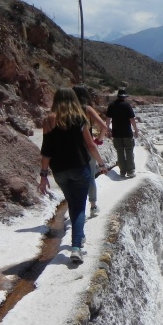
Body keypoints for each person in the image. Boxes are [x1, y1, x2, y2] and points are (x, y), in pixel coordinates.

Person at [39, 88, 108, 264]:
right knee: (79, 207)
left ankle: (80, 234)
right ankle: (76, 247)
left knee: (72, 203)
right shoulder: (79, 119)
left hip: (60, 171)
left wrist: (43, 175)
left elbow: (46, 150)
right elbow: (91, 146)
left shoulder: (48, 121)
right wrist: (101, 164)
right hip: (80, 168)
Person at [72, 85, 108, 217]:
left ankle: (75, 206)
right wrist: (99, 139)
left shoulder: (68, 109)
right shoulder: (87, 109)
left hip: (71, 147)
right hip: (87, 145)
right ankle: (93, 206)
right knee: (91, 176)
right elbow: (104, 126)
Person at [106, 88, 139, 177]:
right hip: (127, 132)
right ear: (124, 97)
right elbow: (132, 119)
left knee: (119, 152)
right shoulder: (127, 106)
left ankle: (122, 171)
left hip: (116, 133)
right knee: (129, 151)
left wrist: (108, 130)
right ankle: (130, 171)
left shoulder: (111, 105)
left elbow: (108, 119)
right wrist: (136, 130)